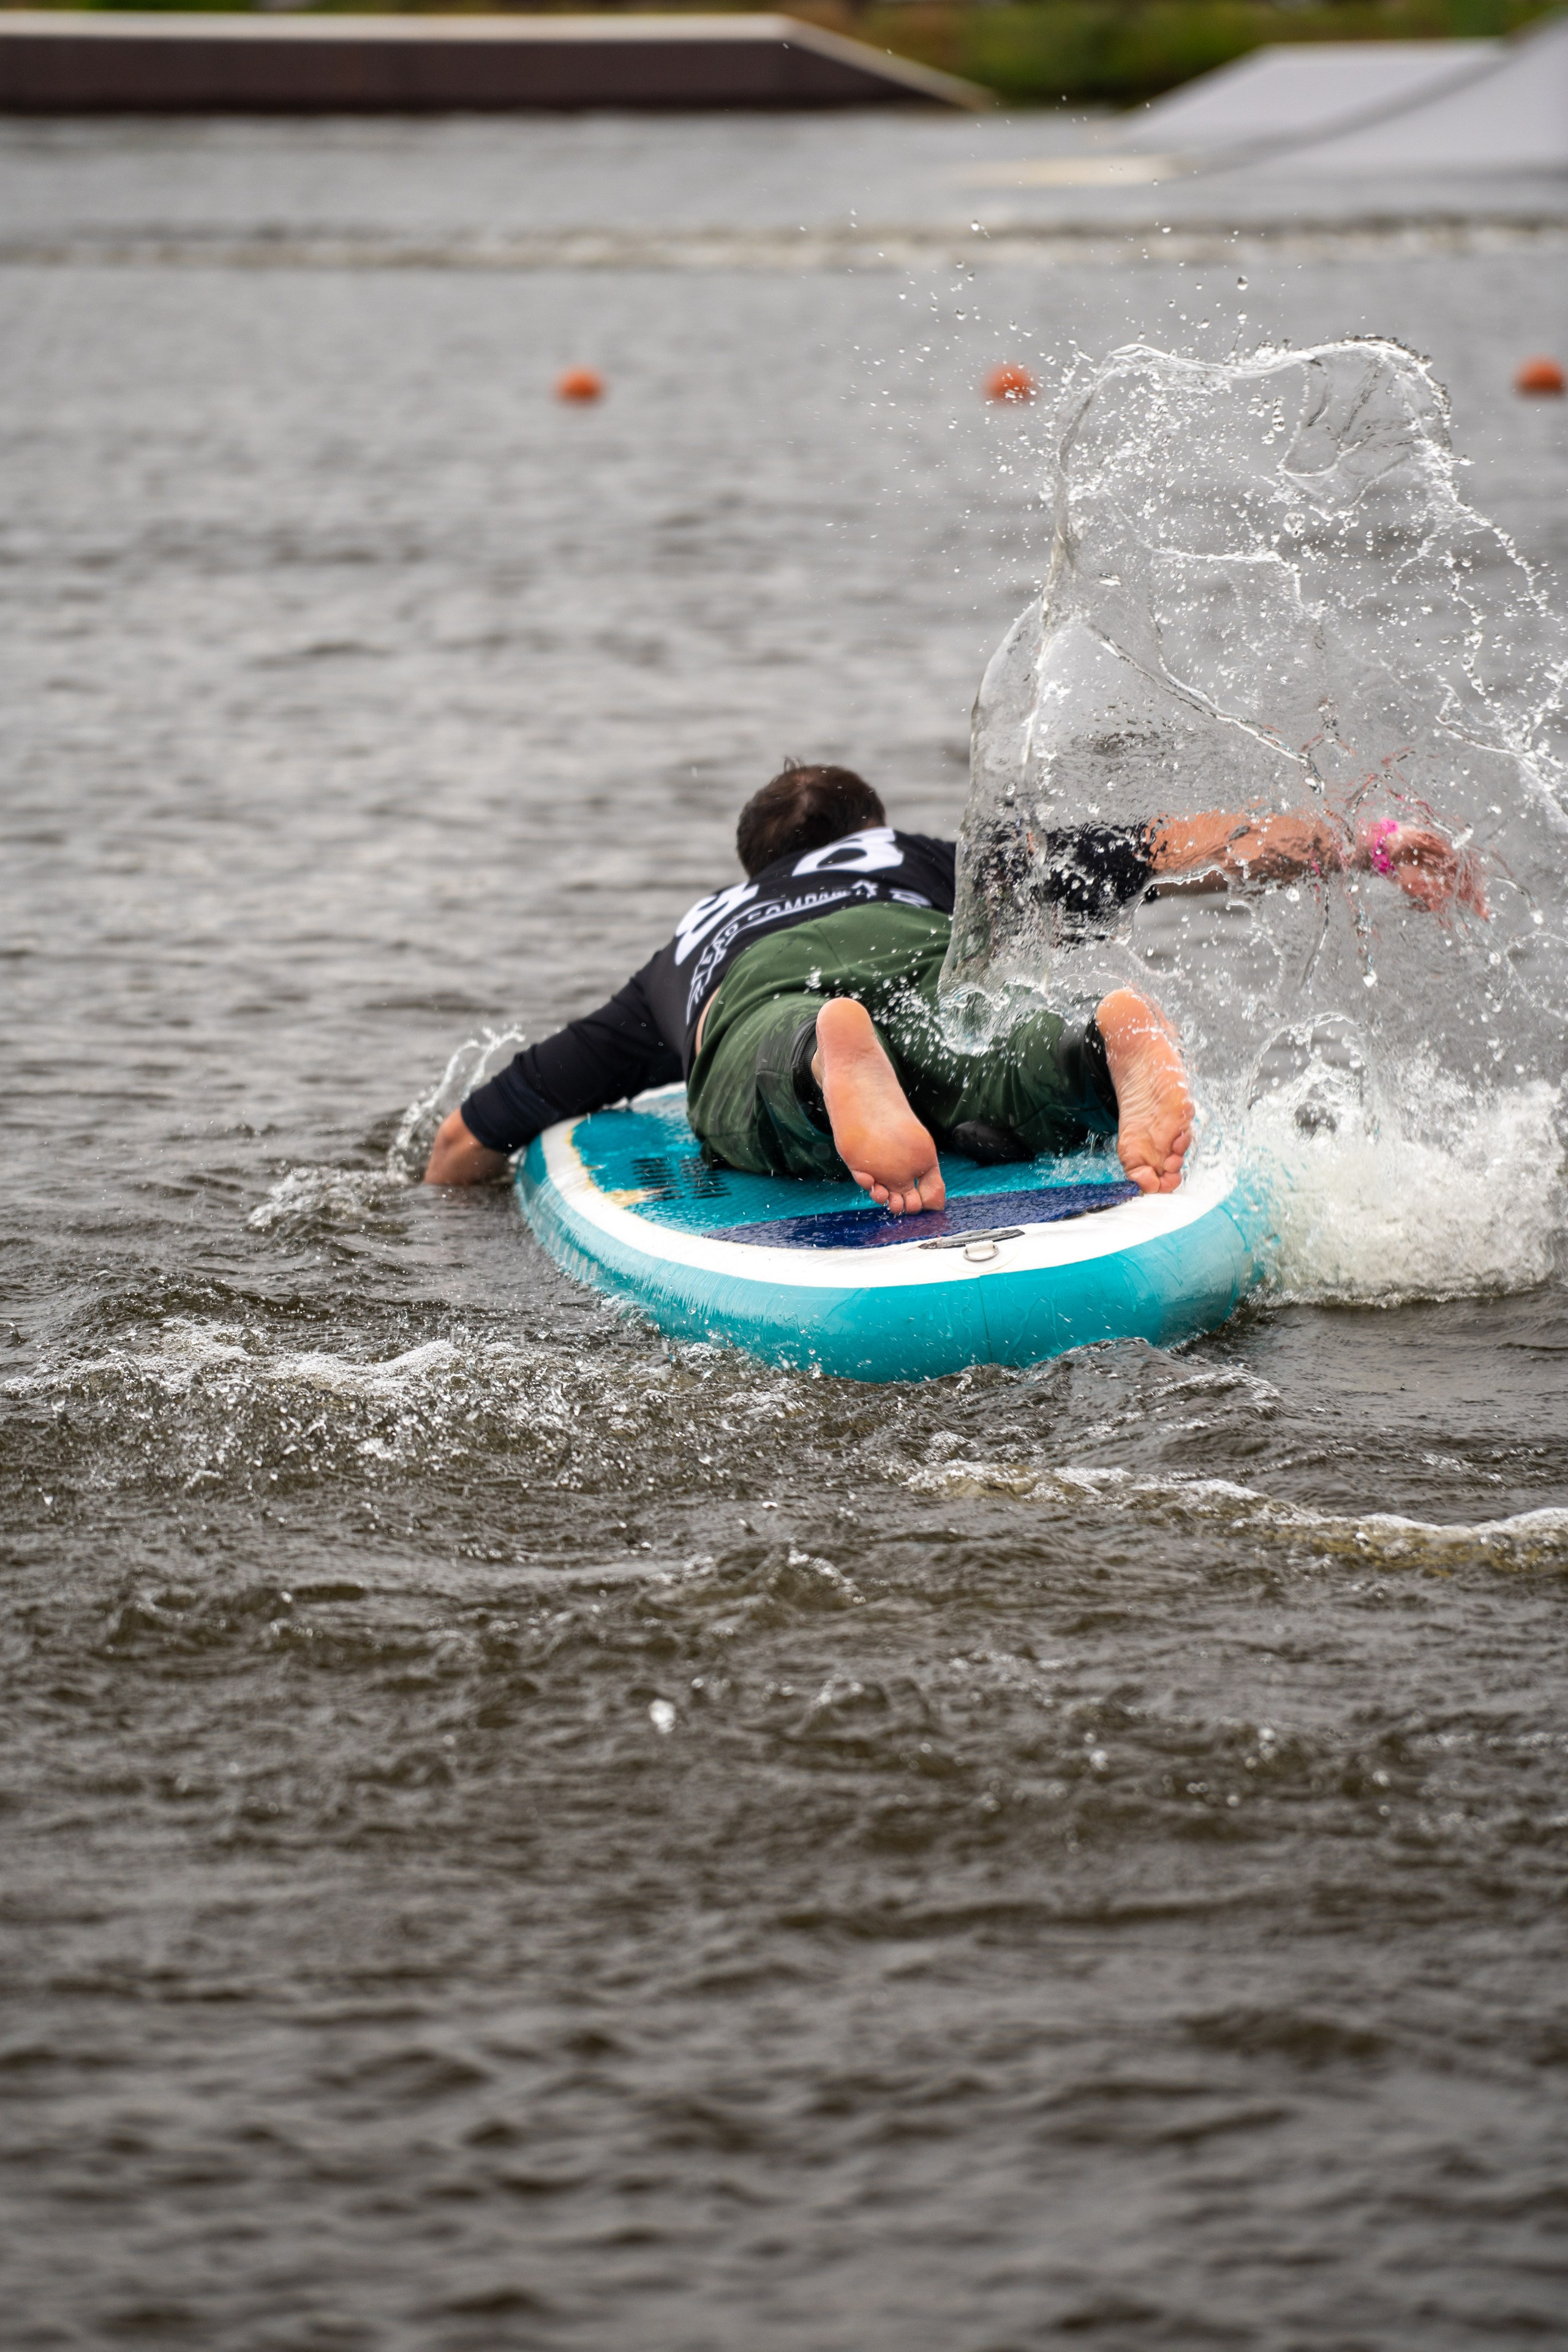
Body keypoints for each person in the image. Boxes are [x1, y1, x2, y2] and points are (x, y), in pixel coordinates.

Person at [423, 762, 1476, 1214]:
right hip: (919, 950)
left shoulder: (688, 947)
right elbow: (1176, 846)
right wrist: (1365, 848)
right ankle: (1088, 1045)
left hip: (761, 992)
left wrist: (438, 1201)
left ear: (755, 871)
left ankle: (817, 1054)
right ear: (870, 832)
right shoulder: (935, 859)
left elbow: (474, 1135)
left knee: (756, 1072)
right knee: (981, 1050)